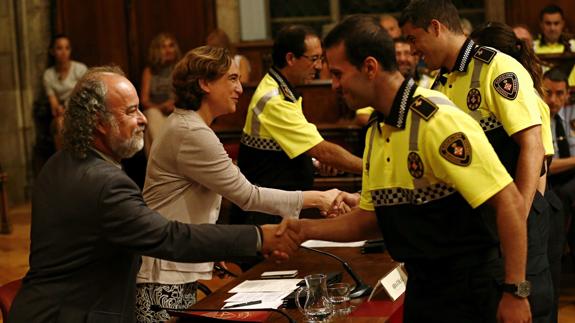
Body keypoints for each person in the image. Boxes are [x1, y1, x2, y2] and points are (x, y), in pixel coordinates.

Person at [278, 14, 530, 322]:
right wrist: (303, 230)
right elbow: (369, 220)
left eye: (339, 74)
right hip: (424, 287)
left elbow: (509, 202)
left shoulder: (437, 121)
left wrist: (516, 291)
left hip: (471, 288)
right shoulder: (376, 130)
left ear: (370, 67)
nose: (334, 86)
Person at [7, 66, 302, 323]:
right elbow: (168, 237)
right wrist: (259, 237)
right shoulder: (105, 183)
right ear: (98, 122)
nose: (144, 120)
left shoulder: (61, 162)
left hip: (40, 309)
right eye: (130, 111)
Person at [135, 46, 343, 322]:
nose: (240, 87)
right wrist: (318, 199)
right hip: (162, 271)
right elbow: (248, 195)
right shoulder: (191, 132)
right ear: (205, 83)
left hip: (173, 262)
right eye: (231, 78)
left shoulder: (188, 127)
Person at [400, 2, 552, 321]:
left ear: (436, 27)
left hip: (516, 215)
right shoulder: (439, 85)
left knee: (527, 311)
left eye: (414, 39)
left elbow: (532, 146)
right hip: (476, 228)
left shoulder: (496, 67)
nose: (413, 51)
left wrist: (518, 215)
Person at [471, 22, 563, 323]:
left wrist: (523, 214)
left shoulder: (528, 96)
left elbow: (541, 162)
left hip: (533, 205)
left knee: (535, 298)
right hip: (516, 209)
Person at [234, 24, 363, 226]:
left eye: (321, 59)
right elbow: (324, 151)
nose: (320, 67)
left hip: (275, 205)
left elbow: (281, 148)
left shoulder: (280, 88)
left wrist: (313, 165)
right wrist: (370, 168)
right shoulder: (274, 99)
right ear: (290, 58)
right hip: (263, 214)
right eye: (313, 59)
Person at [355, 36, 433, 126]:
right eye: (397, 54)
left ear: (416, 58)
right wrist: (390, 124)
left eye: (407, 53)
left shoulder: (432, 83)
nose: (402, 59)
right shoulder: (380, 85)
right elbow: (362, 116)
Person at [43, 34, 87, 150]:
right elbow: (54, 104)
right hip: (62, 114)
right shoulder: (49, 75)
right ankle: (64, 163)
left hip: (81, 110)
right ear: (52, 51)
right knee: (60, 123)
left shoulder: (80, 69)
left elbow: (86, 96)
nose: (64, 52)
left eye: (67, 48)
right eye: (59, 48)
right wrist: (58, 109)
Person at [140, 32, 181, 156]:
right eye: (163, 47)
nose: (168, 50)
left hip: (177, 109)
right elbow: (144, 100)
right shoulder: (149, 71)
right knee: (152, 115)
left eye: (171, 46)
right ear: (157, 50)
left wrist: (175, 104)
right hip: (156, 110)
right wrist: (161, 107)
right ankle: (162, 157)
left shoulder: (180, 67)